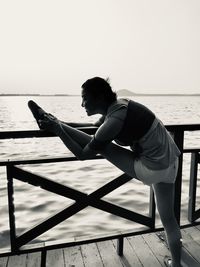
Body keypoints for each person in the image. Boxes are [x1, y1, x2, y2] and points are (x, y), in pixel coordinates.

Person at [28, 77, 182, 267]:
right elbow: (96, 130)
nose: (82, 103)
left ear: (99, 97)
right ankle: (176, 264)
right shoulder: (119, 106)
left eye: (85, 98)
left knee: (104, 147)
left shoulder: (113, 121)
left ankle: (50, 121)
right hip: (171, 161)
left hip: (151, 167)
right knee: (169, 220)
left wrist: (59, 130)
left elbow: (83, 154)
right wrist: (58, 122)